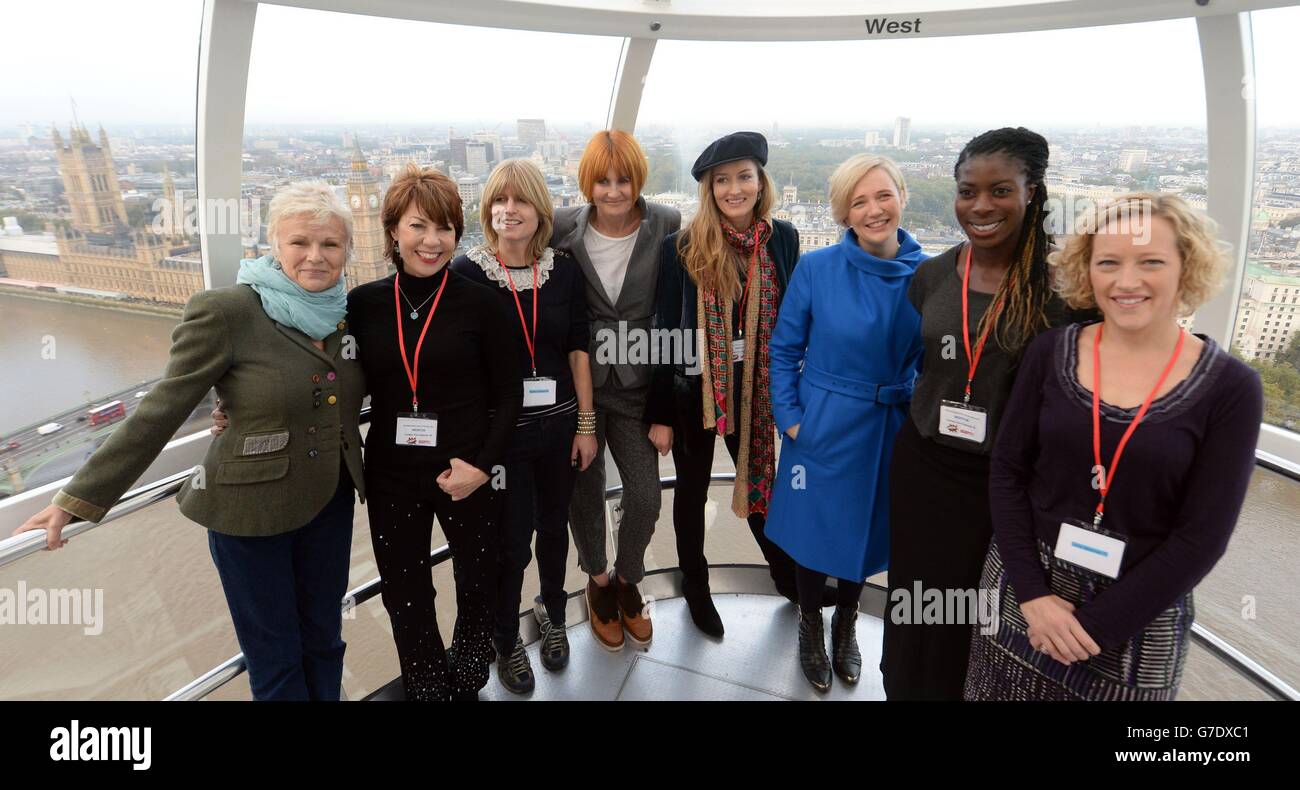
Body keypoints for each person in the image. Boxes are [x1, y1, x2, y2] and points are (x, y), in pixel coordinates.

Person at [14, 182, 365, 701]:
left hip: (329, 503)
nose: (315, 256)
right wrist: (76, 499)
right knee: (277, 660)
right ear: (273, 244)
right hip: (249, 513)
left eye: (330, 244)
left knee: (325, 641)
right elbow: (161, 409)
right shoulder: (228, 311)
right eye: (299, 242)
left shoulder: (347, 313)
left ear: (347, 251)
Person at [965, 194, 1262, 700]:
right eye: (1109, 263)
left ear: (1186, 267)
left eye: (1151, 262)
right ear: (1087, 270)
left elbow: (1202, 537)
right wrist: (1035, 596)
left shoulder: (1230, 388)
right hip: (1021, 591)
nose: (1127, 282)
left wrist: (1095, 627)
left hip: (1135, 622)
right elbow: (1009, 472)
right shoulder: (1050, 352)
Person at [880, 127, 1090, 700]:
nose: (979, 206)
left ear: (1032, 192)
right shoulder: (932, 277)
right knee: (914, 600)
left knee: (979, 614)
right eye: (967, 190)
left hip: (1009, 483)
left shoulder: (1067, 289)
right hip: (924, 468)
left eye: (1000, 191)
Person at [348, 164, 520, 701]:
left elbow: (509, 395)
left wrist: (482, 465)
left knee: (478, 578)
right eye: (419, 226)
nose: (433, 241)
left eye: (445, 228)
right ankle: (424, 682)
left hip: (466, 467)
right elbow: (322, 370)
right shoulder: (363, 304)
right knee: (406, 590)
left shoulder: (482, 302)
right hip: (392, 473)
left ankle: (469, 671)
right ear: (393, 231)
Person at [765, 154, 928, 691]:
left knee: (864, 532)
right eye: (859, 201)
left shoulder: (930, 275)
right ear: (843, 212)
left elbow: (938, 363)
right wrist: (791, 420)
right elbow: (784, 350)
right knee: (816, 533)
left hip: (889, 428)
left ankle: (847, 622)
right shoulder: (817, 268)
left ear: (902, 197)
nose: (874, 209)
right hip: (822, 423)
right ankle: (812, 621)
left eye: (883, 195)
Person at [645, 131, 801, 637]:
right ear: (708, 190)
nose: (734, 189)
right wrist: (661, 414)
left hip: (754, 391)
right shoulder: (683, 247)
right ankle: (696, 587)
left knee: (761, 486)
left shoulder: (783, 238)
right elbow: (664, 329)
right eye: (722, 181)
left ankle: (787, 579)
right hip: (697, 394)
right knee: (690, 494)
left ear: (761, 182)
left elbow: (797, 321)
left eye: (744, 177)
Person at [450, 158, 595, 694]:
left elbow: (578, 348)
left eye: (521, 201)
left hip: (559, 428)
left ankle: (552, 613)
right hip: (504, 436)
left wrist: (586, 424)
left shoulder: (564, 269)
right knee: (511, 543)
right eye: (499, 200)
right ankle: (506, 637)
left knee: (555, 530)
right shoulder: (467, 272)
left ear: (540, 210)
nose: (508, 210)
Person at [552, 130, 681, 653]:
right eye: (602, 181)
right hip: (579, 385)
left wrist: (666, 409)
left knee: (646, 499)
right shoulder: (562, 227)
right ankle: (599, 583)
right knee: (583, 492)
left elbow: (678, 313)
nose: (613, 191)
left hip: (637, 390)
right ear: (588, 182)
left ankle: (629, 580)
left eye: (623, 179)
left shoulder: (667, 224)